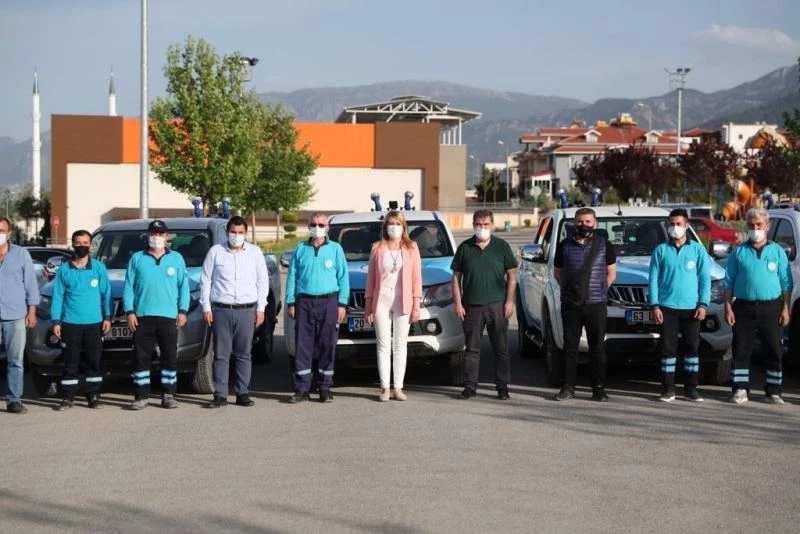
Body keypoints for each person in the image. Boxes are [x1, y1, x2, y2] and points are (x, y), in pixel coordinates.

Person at [723, 207, 792, 404]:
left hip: (771, 307)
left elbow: (786, 282)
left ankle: (773, 391)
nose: (755, 229)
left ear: (767, 226)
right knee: (741, 349)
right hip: (743, 307)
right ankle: (740, 389)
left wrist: (785, 308)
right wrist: (728, 307)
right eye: (751, 225)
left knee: (774, 349)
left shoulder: (777, 252)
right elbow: (728, 282)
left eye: (759, 225)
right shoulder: (739, 252)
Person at [200, 216, 269, 408]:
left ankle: (242, 393)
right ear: (227, 232)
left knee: (244, 354)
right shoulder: (215, 252)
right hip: (221, 310)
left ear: (246, 233)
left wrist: (261, 309)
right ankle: (220, 395)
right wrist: (206, 307)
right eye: (233, 232)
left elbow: (262, 281)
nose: (236, 236)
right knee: (221, 354)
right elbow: (206, 280)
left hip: (247, 310)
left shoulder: (255, 253)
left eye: (240, 232)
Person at [123, 220, 190, 410]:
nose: (157, 237)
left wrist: (182, 311)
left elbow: (183, 287)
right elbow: (128, 287)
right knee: (141, 357)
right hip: (142, 316)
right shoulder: (137, 258)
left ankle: (168, 394)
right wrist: (129, 311)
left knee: (169, 356)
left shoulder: (176, 258)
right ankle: (141, 396)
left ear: (167, 237)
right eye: (153, 234)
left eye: (160, 234)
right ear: (148, 236)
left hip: (169, 317)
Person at [451, 209, 517, 400]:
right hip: (471, 306)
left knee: (501, 348)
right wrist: (458, 303)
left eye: (486, 224)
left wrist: (509, 302)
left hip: (497, 305)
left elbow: (512, 276)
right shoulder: (465, 248)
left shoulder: (502, 246)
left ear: (492, 225)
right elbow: (456, 277)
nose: (482, 228)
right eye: (479, 225)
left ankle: (502, 386)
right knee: (472, 349)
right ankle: (470, 386)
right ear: (473, 225)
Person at [553, 208, 616, 402]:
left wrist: (600, 290)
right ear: (574, 223)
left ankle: (598, 388)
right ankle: (568, 387)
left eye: (588, 221)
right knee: (570, 347)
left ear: (595, 223)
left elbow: (611, 273)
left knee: (597, 347)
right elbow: (558, 273)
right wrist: (571, 292)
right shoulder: (564, 245)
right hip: (571, 305)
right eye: (580, 222)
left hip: (596, 304)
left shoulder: (604, 245)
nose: (584, 225)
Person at [285, 212, 349, 403]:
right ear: (308, 226)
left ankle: (325, 387)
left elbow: (343, 277)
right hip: (304, 302)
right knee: (303, 346)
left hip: (329, 302)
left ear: (327, 228)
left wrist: (342, 304)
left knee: (327, 345)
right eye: (313, 224)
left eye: (321, 225)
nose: (317, 228)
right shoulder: (300, 249)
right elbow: (292, 276)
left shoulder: (336, 249)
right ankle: (302, 388)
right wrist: (291, 302)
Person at [648, 209, 710, 402]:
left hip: (692, 308)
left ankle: (691, 389)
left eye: (679, 224)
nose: (675, 227)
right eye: (672, 224)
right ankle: (668, 389)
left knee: (692, 348)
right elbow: (653, 280)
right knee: (668, 349)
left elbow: (705, 279)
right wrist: (655, 305)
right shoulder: (660, 250)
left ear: (686, 226)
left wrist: (703, 304)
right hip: (667, 307)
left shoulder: (697, 250)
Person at [51, 229, 113, 410]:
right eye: (78, 243)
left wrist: (107, 317)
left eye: (85, 243)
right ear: (73, 244)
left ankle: (93, 396)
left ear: (91, 245)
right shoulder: (64, 270)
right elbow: (58, 297)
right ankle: (68, 398)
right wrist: (56, 321)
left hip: (94, 324)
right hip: (71, 324)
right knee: (70, 363)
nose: (82, 246)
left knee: (94, 362)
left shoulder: (98, 268)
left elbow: (107, 295)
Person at [364, 211, 422, 401]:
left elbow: (416, 278)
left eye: (397, 224)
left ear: (403, 227)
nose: (394, 227)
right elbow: (371, 279)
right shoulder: (377, 248)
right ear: (385, 227)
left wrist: (416, 305)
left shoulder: (411, 248)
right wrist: (368, 305)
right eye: (391, 223)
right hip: (382, 298)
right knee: (383, 344)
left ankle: (398, 387)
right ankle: (385, 388)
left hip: (403, 299)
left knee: (400, 345)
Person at [0, 216, 40, 414]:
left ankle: (13, 400)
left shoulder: (21, 254)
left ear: (8, 233)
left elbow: (31, 283)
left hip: (15, 316)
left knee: (15, 361)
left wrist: (32, 310)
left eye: (2, 230)